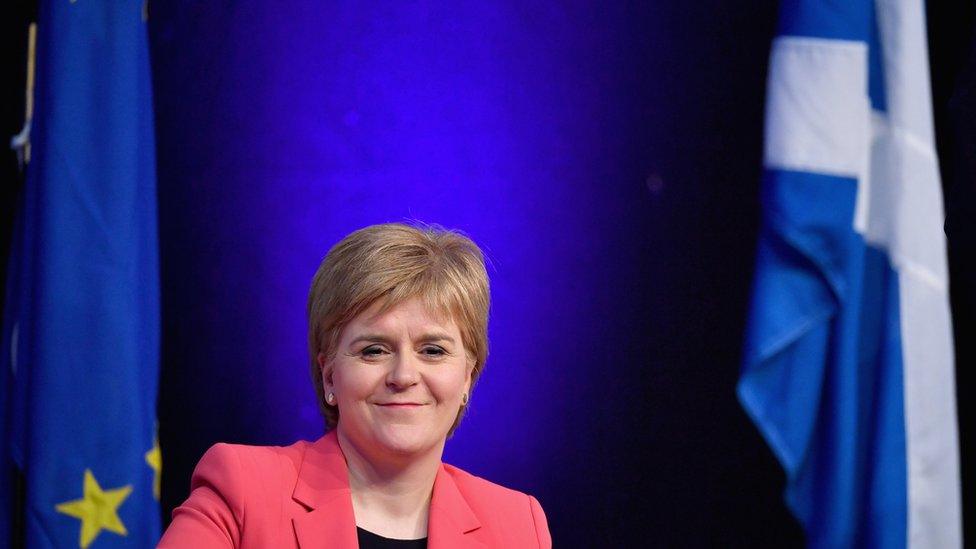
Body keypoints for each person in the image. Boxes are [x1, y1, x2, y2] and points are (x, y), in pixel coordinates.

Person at [158, 223, 552, 548]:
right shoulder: (244, 491)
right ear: (330, 376)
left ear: (467, 376)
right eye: (374, 350)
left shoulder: (518, 526)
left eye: (432, 350)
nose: (403, 375)